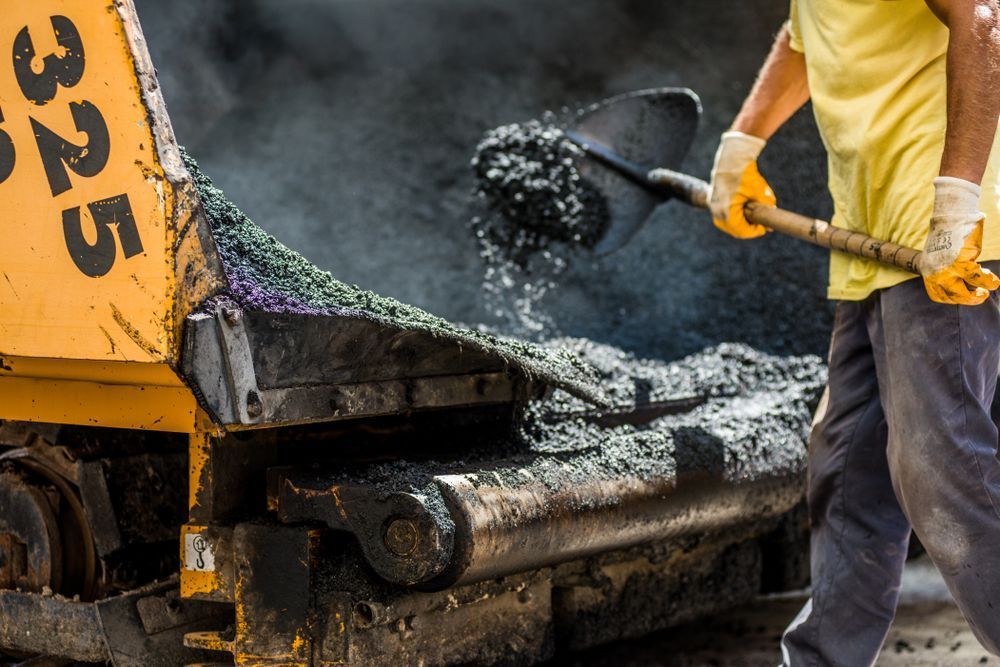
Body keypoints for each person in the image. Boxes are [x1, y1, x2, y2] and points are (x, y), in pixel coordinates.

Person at [704, 0, 1000, 664]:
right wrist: (741, 143)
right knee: (846, 471)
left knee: (942, 473)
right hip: (872, 243)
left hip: (943, 241)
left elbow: (983, 18)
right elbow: (807, 34)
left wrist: (956, 203)